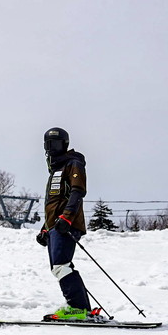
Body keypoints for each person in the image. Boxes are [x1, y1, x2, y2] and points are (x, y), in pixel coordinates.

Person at [35, 127, 103, 322]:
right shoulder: (55, 170)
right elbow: (54, 203)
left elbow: (77, 192)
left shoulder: (73, 163)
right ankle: (81, 308)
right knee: (60, 266)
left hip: (66, 223)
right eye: (48, 144)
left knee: (61, 265)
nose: (51, 149)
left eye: (55, 144)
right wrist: (45, 228)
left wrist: (67, 217)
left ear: (64, 144)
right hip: (55, 225)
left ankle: (78, 308)